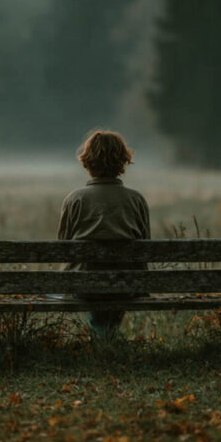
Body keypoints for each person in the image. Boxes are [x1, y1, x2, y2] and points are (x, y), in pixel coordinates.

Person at [57, 130, 150, 338]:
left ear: (87, 162)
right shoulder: (136, 200)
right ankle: (106, 336)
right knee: (116, 286)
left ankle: (102, 337)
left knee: (92, 284)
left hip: (85, 287)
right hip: (126, 285)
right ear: (123, 162)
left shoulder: (74, 199)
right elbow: (145, 249)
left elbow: (62, 248)